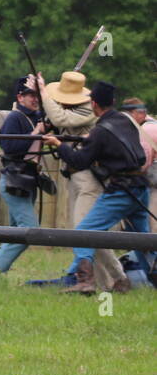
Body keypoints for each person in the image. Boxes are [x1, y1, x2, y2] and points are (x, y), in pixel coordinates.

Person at [44, 81, 149, 294]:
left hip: (121, 190)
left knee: (83, 232)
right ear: (112, 102)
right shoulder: (125, 120)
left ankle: (85, 280)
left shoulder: (100, 132)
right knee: (144, 240)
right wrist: (90, 141)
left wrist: (59, 145)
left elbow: (79, 160)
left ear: (94, 103)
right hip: (140, 186)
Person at [0, 77, 45, 288]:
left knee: (17, 233)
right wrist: (36, 133)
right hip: (15, 180)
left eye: (36, 95)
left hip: (26, 181)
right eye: (30, 95)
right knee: (29, 231)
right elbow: (11, 147)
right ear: (20, 97)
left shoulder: (34, 116)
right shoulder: (16, 118)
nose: (35, 99)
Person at [119, 97, 157, 223]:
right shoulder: (153, 125)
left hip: (153, 179)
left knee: (152, 216)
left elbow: (144, 161)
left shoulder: (145, 130)